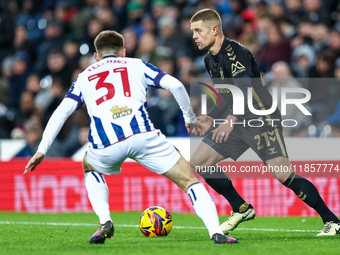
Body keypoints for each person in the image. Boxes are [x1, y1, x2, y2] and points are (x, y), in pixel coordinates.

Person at [23, 30, 238, 244]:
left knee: (90, 165)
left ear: (96, 56)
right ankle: (216, 232)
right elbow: (176, 85)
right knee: (189, 181)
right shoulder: (136, 64)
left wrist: (42, 149)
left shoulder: (84, 76)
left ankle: (105, 221)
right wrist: (189, 117)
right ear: (123, 52)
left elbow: (61, 112)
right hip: (143, 136)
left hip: (106, 143)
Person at [189, 8, 340, 236]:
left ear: (214, 29)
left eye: (198, 30)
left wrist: (229, 120)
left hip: (261, 118)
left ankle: (333, 221)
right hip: (237, 120)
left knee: (283, 174)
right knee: (199, 161)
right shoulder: (210, 59)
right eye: (192, 32)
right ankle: (241, 208)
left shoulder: (236, 53)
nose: (194, 36)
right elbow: (228, 95)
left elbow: (244, 89)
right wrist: (211, 116)